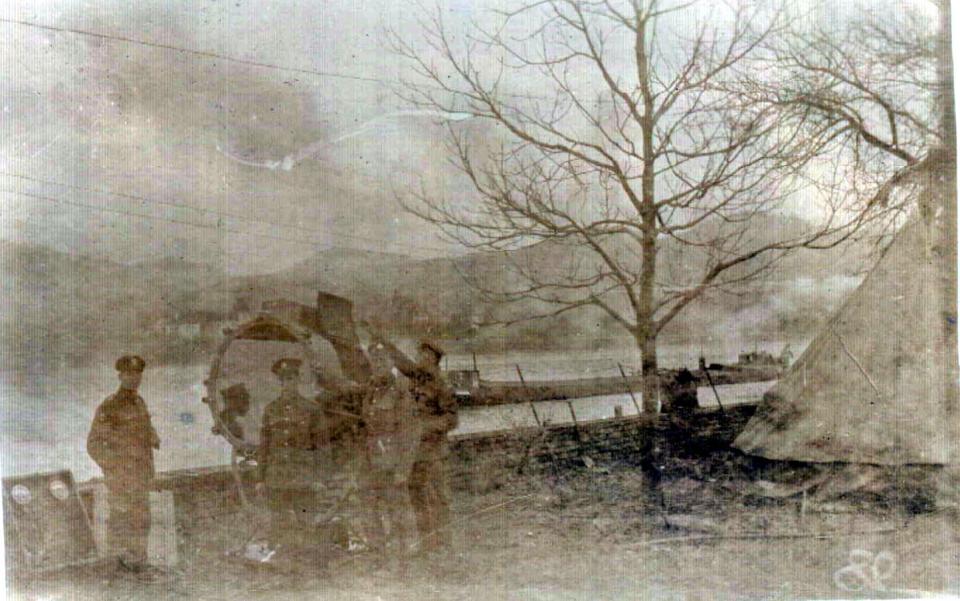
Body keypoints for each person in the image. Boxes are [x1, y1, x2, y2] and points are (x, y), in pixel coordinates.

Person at [374, 337, 458, 553]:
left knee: (438, 498)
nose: (418, 358)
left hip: (434, 451)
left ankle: (444, 544)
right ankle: (427, 543)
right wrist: (381, 338)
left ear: (432, 358)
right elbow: (401, 362)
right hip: (415, 452)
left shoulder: (441, 385)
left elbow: (451, 419)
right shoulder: (416, 380)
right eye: (419, 354)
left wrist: (425, 426)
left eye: (423, 355)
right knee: (417, 496)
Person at [87, 354, 160, 574]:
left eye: (138, 374)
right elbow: (93, 444)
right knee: (120, 518)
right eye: (129, 374)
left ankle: (138, 563)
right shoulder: (110, 406)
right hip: (121, 478)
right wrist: (113, 468)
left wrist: (153, 436)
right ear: (120, 376)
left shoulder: (139, 402)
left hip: (141, 474)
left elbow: (144, 428)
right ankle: (116, 567)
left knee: (141, 519)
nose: (134, 378)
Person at [258, 357, 326, 568]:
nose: (288, 384)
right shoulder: (271, 410)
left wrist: (319, 478)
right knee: (279, 523)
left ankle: (309, 569)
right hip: (277, 478)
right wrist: (260, 479)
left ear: (298, 381)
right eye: (284, 380)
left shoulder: (312, 409)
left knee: (307, 523)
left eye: (292, 379)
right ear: (280, 382)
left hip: (304, 479)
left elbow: (322, 448)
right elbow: (264, 447)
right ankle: (283, 568)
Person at [359, 342, 418, 561]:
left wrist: (403, 469)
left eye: (382, 360)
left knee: (397, 509)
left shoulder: (401, 392)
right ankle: (378, 553)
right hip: (373, 460)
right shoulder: (371, 391)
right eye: (374, 361)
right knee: (369, 506)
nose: (378, 365)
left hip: (393, 460)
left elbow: (410, 434)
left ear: (391, 362)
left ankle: (404, 554)